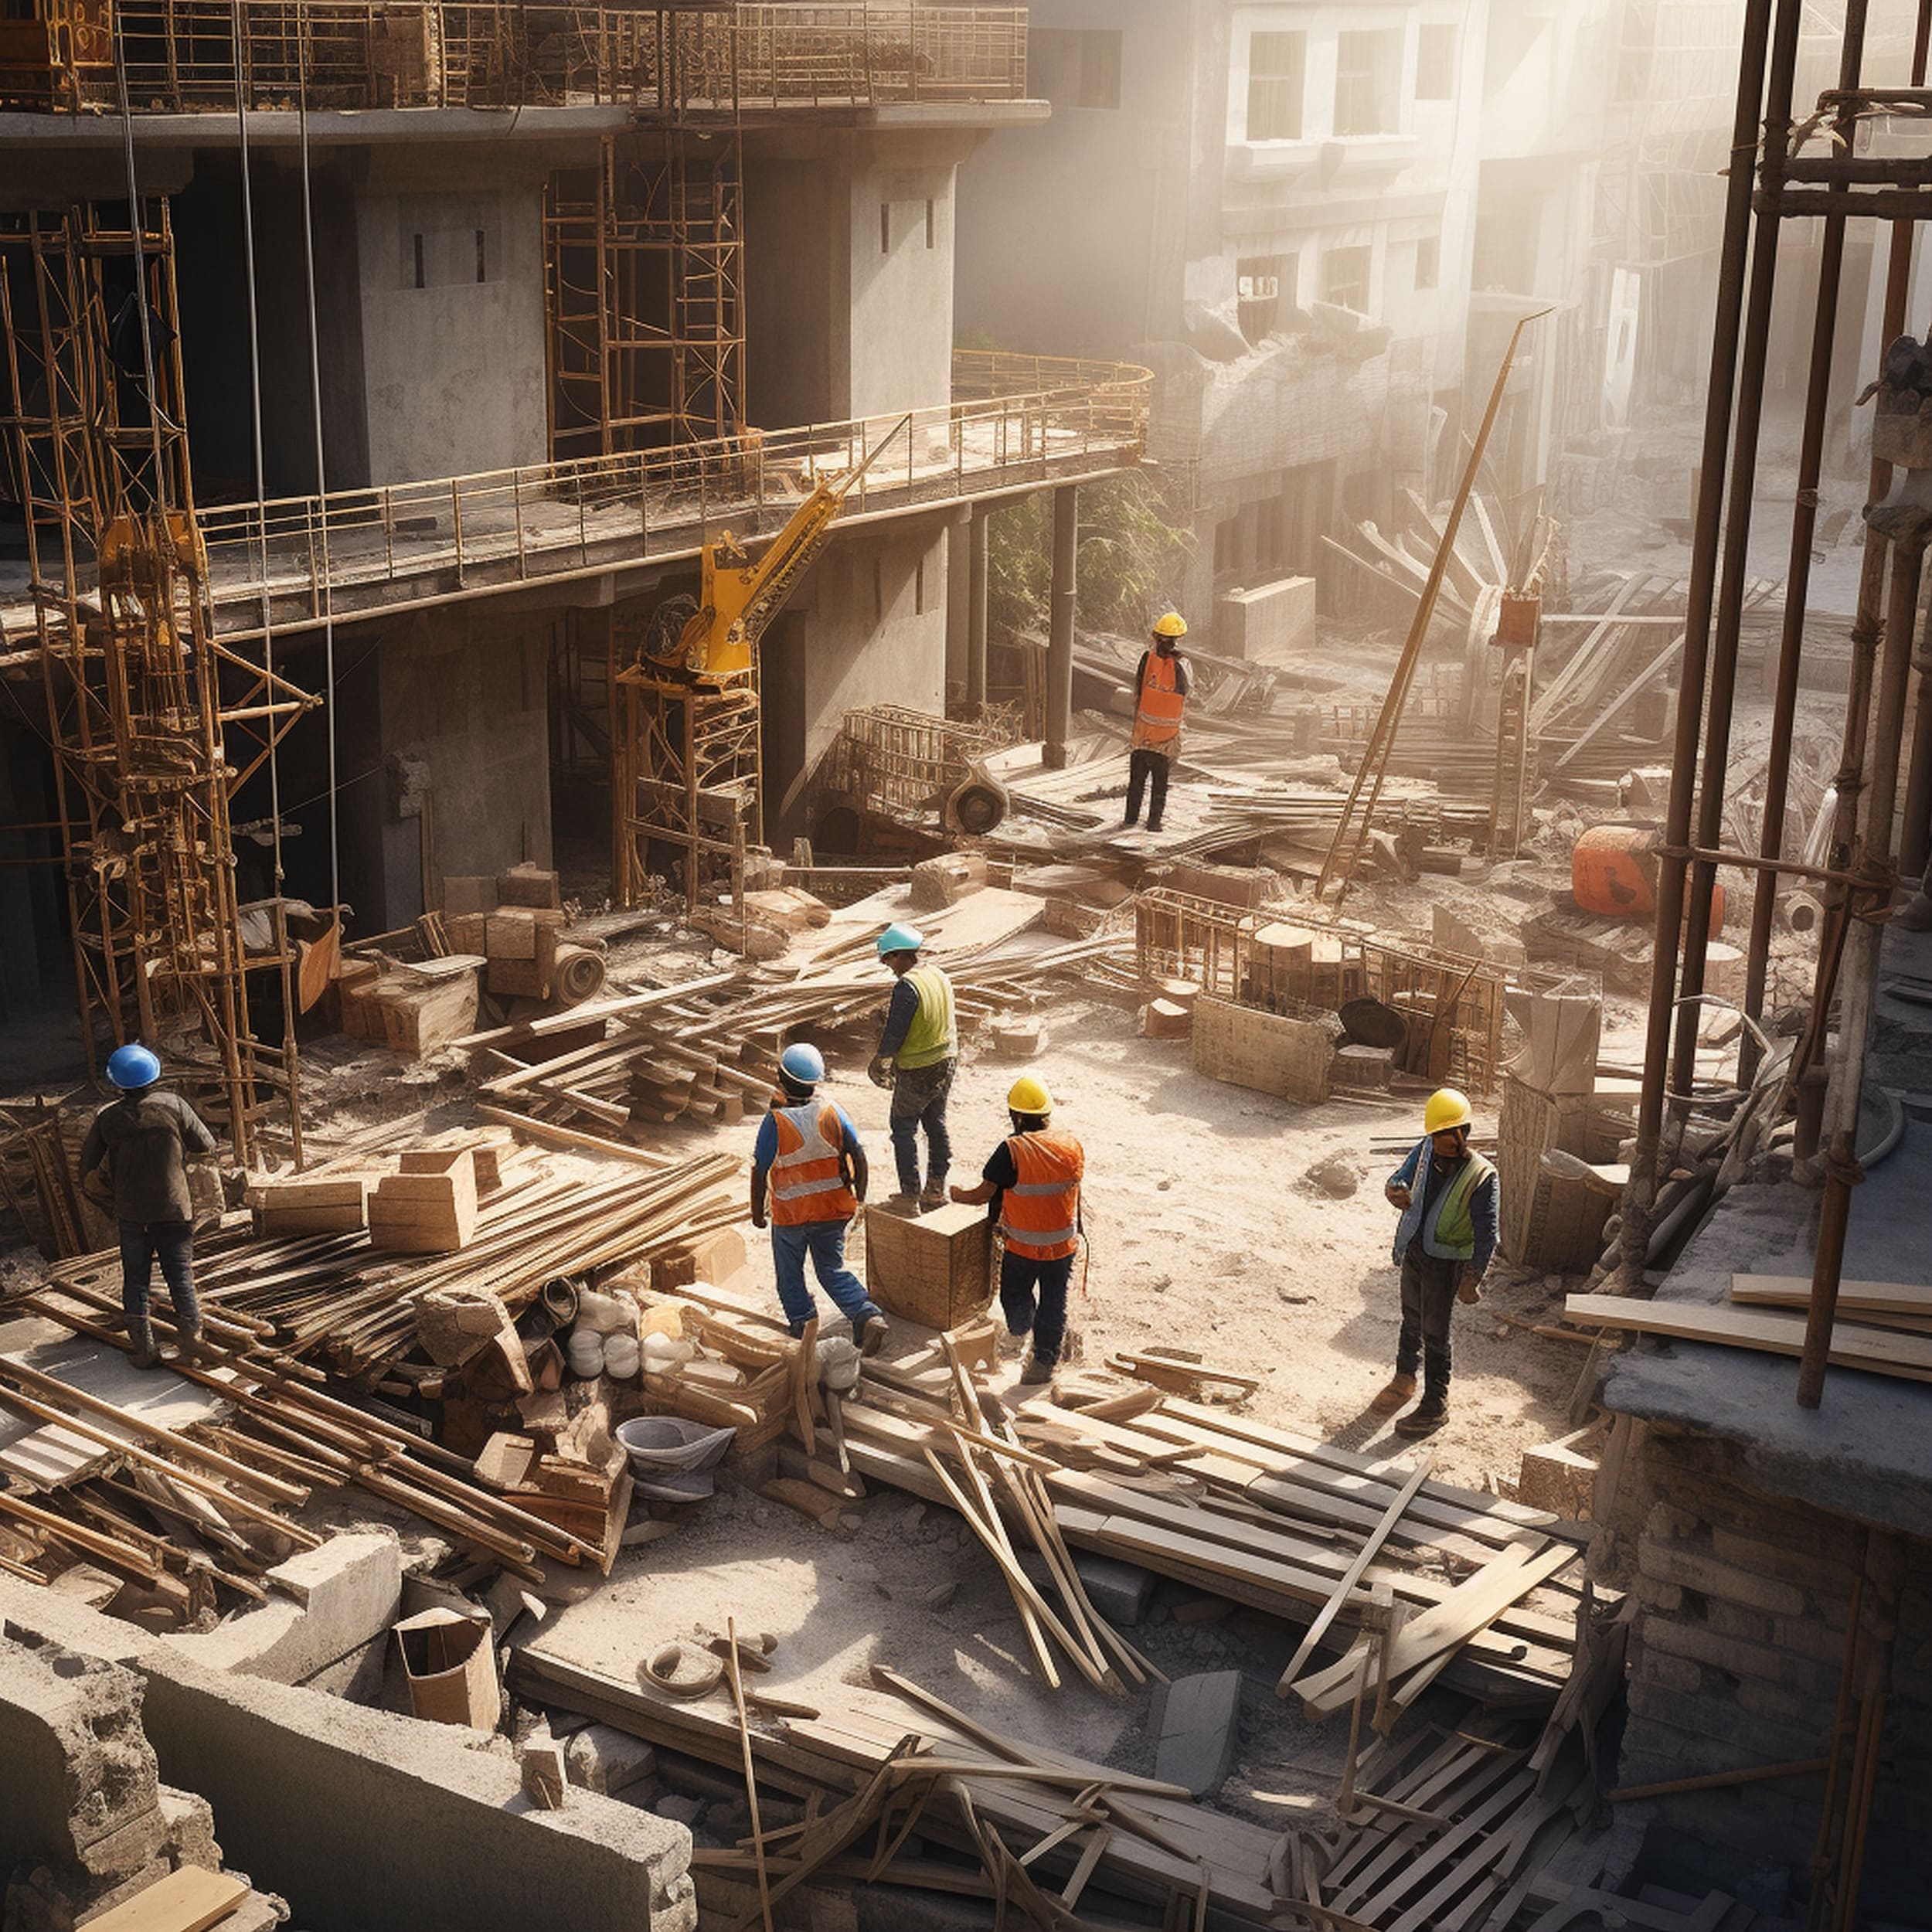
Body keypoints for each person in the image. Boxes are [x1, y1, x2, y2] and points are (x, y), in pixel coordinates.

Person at [78, 1044, 218, 1370]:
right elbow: (206, 1144)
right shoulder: (174, 1105)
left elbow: (87, 1171)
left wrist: (110, 1196)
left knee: (136, 1281)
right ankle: (192, 1345)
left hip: (133, 1216)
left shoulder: (108, 1118)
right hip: (174, 1210)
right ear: (154, 1076)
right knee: (180, 1277)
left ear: (116, 1083)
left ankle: (144, 1350)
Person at [1372, 1087, 1498, 1438]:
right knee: (1411, 1317)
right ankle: (1404, 1378)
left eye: (1447, 1135)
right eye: (1436, 1134)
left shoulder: (1481, 1175)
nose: (1440, 1142)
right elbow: (1400, 1176)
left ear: (1462, 1134)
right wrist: (1394, 1189)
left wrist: (1473, 1276)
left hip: (1447, 1262)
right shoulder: (1426, 1150)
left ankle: (1435, 1405)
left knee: (1435, 1332)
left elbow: (1488, 1232)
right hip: (1416, 1250)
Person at [750, 1043, 889, 1354]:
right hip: (832, 1210)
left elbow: (760, 1171)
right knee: (831, 1269)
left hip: (791, 1216)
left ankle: (803, 1324)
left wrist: (757, 1213)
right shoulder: (832, 1111)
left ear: (782, 1080)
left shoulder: (776, 1122)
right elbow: (858, 1154)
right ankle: (866, 1313)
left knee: (790, 1274)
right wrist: (860, 1196)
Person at [951, 1075, 1083, 1387]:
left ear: (1018, 1117)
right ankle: (1044, 1360)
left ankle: (1022, 1332)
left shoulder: (1012, 1150)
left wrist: (957, 1195)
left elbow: (984, 1194)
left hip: (1023, 1247)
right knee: (1054, 1301)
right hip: (1062, 1247)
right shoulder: (1071, 1146)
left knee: (1014, 1296)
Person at [868, 923, 957, 1211]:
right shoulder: (938, 975)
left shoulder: (907, 988)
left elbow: (895, 1032)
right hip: (946, 1059)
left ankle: (909, 1196)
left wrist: (880, 1060)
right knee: (935, 1123)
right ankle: (935, 1190)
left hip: (918, 1067)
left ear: (900, 955)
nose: (890, 968)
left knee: (903, 1127)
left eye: (889, 961)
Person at [1123, 611, 1190, 834]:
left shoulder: (1147, 659)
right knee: (1159, 785)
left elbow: (1138, 690)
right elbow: (1186, 693)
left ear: (1155, 636)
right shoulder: (1182, 665)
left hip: (1143, 735)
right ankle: (1154, 823)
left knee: (1136, 782)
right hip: (1166, 739)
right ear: (1177, 639)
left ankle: (1130, 819)